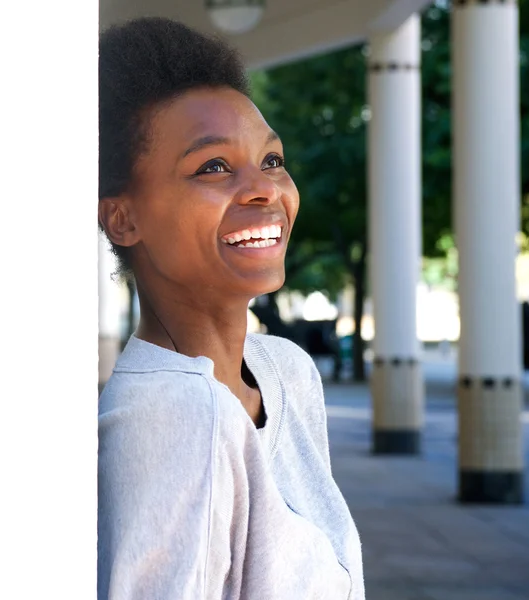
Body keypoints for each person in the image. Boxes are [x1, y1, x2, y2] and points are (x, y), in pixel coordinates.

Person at [98, 17, 364, 600]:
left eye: (271, 160)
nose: (264, 188)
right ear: (123, 218)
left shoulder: (285, 370)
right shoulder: (176, 413)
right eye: (213, 167)